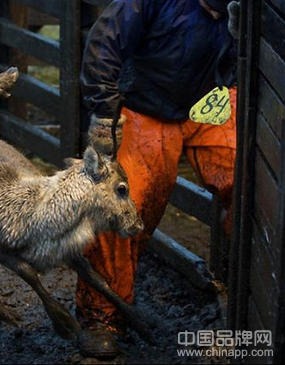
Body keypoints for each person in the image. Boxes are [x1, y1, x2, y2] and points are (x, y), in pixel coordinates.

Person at [77, 0, 238, 357]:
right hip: (145, 104)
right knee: (122, 204)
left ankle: (242, 303)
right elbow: (106, 41)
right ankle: (101, 317)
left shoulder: (241, 10)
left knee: (245, 181)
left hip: (210, 99)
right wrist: (104, 110)